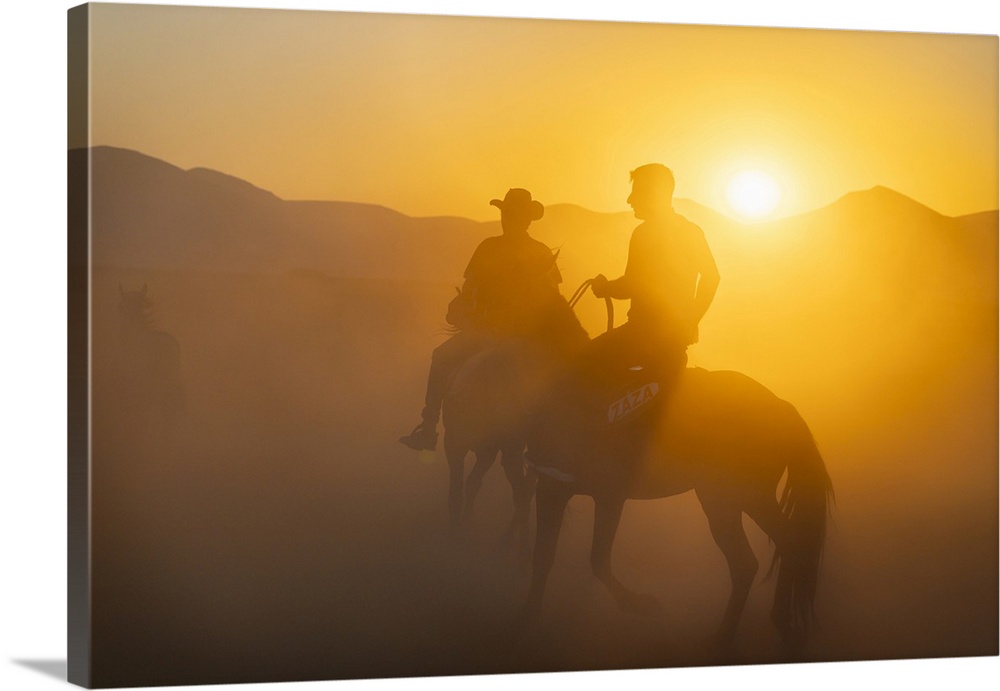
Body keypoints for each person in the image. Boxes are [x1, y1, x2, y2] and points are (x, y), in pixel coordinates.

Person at [399, 188, 562, 451]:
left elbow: (469, 290)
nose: (506, 219)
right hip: (528, 338)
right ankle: (556, 441)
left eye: (510, 214)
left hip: (488, 332)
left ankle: (428, 429)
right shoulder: (541, 252)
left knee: (441, 358)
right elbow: (555, 299)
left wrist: (470, 313)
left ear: (521, 218)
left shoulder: (488, 247)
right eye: (506, 214)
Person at [587, 163, 719, 392]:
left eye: (636, 191)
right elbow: (712, 276)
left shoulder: (644, 234)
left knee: (581, 365)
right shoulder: (691, 231)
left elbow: (632, 285)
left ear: (652, 193)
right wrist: (691, 320)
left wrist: (603, 288)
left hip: (641, 337)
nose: (630, 199)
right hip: (674, 344)